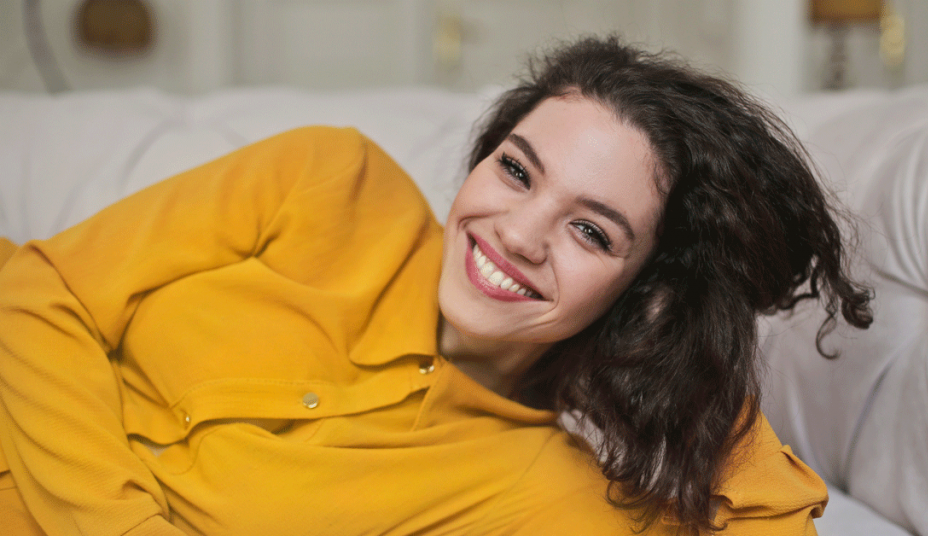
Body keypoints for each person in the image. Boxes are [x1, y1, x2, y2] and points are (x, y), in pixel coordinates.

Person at [0, 36, 871, 535]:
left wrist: (693, 358)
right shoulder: (327, 178)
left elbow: (769, 516)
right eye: (517, 171)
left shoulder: (540, 491)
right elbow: (36, 291)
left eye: (591, 230)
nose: (519, 235)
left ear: (646, 292)